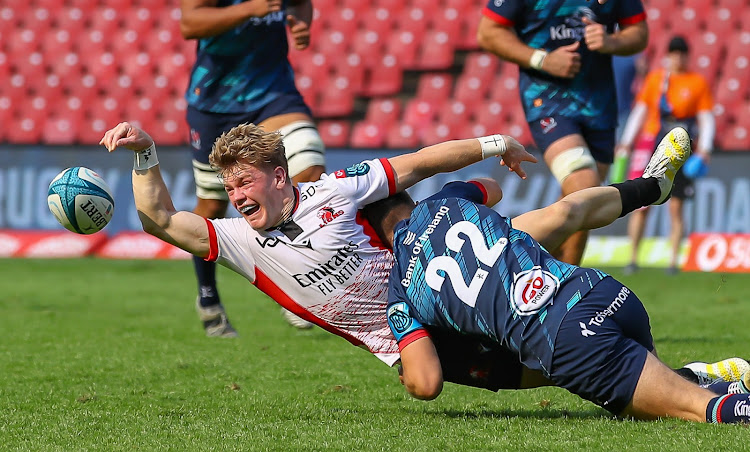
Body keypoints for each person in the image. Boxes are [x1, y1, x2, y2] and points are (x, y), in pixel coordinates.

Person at [100, 121, 746, 397]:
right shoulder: (241, 242)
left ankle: (651, 187)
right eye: (229, 189)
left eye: (243, 184)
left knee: (559, 213)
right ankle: (698, 377)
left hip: (447, 276)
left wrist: (494, 143)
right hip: (413, 332)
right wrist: (145, 154)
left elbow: (417, 163)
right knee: (559, 375)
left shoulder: (335, 189)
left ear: (278, 174)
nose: (235, 199)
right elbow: (159, 217)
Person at [387, 127, 750, 423]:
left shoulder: (400, 286)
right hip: (601, 290)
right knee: (668, 398)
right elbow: (492, 189)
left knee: (703, 411)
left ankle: (713, 394)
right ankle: (651, 187)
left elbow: (425, 382)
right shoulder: (447, 199)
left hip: (570, 336)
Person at [180, 0, 326, 335]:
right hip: (214, 103)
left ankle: (294, 288)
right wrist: (249, 10)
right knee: (213, 206)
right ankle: (209, 299)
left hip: (274, 94)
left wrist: (301, 23)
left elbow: (301, 4)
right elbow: (190, 23)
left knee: (308, 171)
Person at [477, 0, 648, 265]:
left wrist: (611, 42)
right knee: (585, 184)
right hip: (547, 100)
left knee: (583, 199)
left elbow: (638, 31)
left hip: (599, 105)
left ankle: (531, 271)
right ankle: (562, 290)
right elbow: (488, 32)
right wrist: (541, 59)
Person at [616, 36, 715, 275]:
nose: (678, 57)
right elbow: (640, 111)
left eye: (682, 53)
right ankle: (632, 257)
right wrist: (626, 142)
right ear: (668, 55)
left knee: (676, 207)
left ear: (687, 56)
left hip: (682, 149)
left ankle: (673, 261)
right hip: (653, 145)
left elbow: (706, 118)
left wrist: (705, 149)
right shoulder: (656, 79)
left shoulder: (697, 83)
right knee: (641, 203)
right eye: (674, 53)